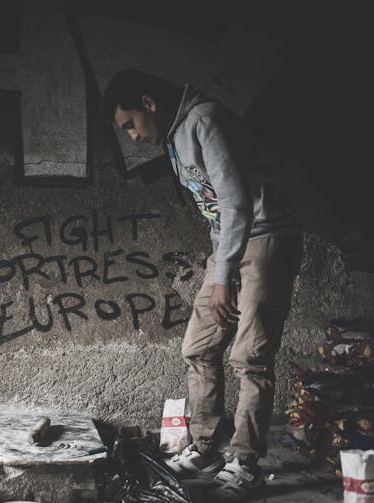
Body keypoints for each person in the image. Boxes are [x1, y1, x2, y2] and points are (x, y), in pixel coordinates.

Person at [101, 70, 303, 501]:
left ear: (148, 103)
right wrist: (220, 267)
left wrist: (224, 275)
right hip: (230, 247)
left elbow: (234, 201)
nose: (133, 138)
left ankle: (246, 464)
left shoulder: (205, 120)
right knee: (197, 347)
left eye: (130, 125)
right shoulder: (177, 137)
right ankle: (207, 449)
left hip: (267, 238)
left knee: (250, 358)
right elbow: (217, 213)